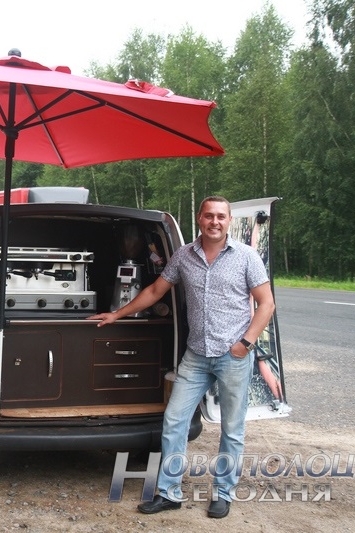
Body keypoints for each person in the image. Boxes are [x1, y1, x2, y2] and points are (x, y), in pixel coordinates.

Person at [88, 195, 275, 519]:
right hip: (196, 355)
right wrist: (116, 314)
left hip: (233, 356)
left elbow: (266, 303)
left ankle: (223, 494)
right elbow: (155, 291)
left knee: (232, 429)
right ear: (199, 219)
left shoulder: (246, 256)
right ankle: (169, 493)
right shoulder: (184, 255)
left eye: (221, 216)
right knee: (174, 421)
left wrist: (245, 343)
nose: (214, 222)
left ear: (229, 221)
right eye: (209, 216)